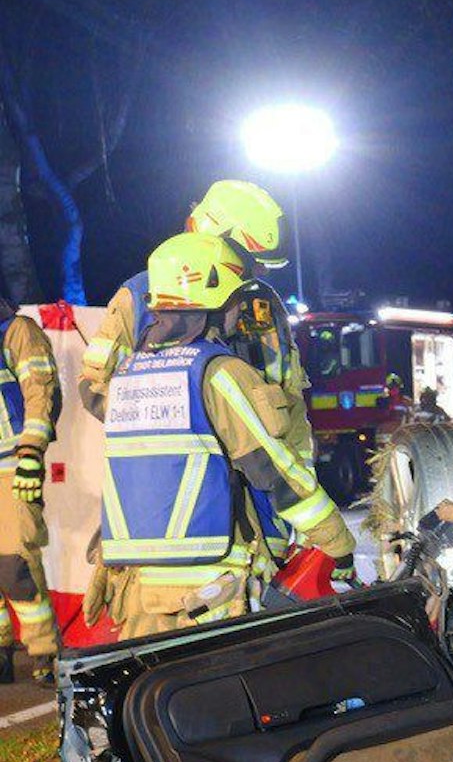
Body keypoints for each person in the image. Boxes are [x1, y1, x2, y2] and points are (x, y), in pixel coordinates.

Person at [88, 233, 353, 640]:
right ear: (215, 303)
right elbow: (274, 473)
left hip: (139, 587)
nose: (238, 313)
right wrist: (338, 544)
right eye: (234, 302)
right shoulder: (219, 373)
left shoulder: (127, 377)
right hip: (211, 588)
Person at [79, 180, 308, 452]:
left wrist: (300, 474)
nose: (261, 273)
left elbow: (291, 398)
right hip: (181, 479)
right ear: (213, 239)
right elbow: (94, 389)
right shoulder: (139, 297)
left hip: (261, 478)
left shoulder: (263, 303)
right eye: (254, 263)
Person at [0, 297, 60, 680]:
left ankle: (45, 655)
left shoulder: (17, 332)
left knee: (14, 564)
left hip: (11, 465)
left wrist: (30, 454)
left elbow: (40, 392)